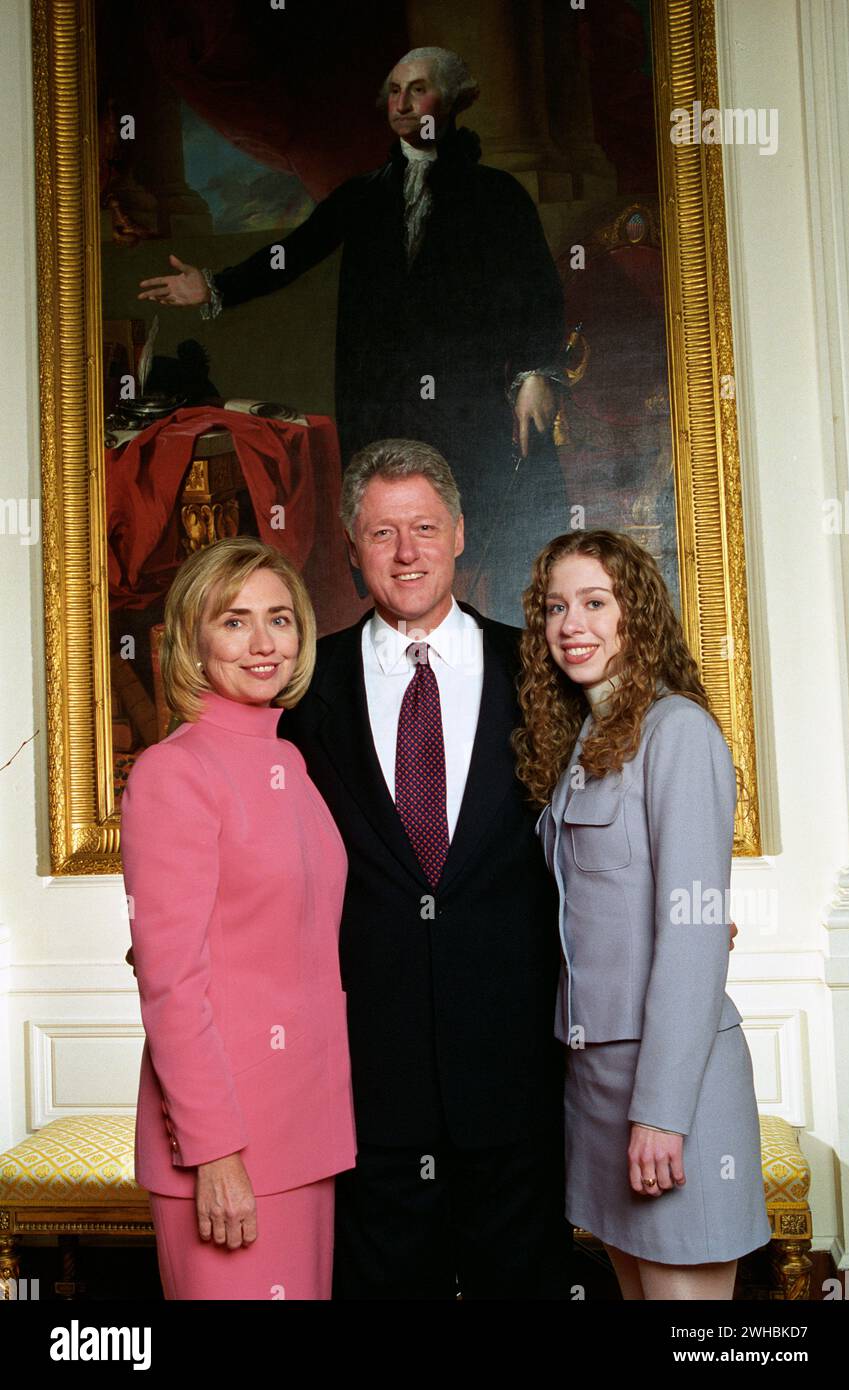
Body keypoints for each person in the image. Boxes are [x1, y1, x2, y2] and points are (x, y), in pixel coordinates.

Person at [277, 438, 572, 1299]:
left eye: (423, 529)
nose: (405, 554)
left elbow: (608, 823)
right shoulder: (301, 690)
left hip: (515, 1078)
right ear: (350, 545)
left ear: (460, 533)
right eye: (381, 534)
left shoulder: (542, 670)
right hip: (367, 1085)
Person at [137, 46, 567, 624]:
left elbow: (538, 292)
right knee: (393, 533)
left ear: (458, 99)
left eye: (419, 89)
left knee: (476, 536)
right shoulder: (364, 193)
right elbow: (292, 254)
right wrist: (213, 286)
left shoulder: (498, 195)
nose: (404, 103)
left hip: (469, 399)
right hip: (383, 397)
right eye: (394, 90)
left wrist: (536, 372)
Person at [514, 529, 770, 1300]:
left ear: (639, 615)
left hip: (669, 1086)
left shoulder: (678, 731)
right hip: (595, 1079)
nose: (572, 625)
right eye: (557, 607)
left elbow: (694, 934)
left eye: (596, 603)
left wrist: (661, 1112)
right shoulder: (585, 739)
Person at [120, 537, 356, 1300]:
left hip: (308, 1138)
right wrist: (214, 1153)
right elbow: (171, 986)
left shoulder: (292, 765)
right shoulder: (174, 772)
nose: (263, 643)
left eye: (280, 619)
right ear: (193, 638)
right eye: (235, 621)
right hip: (229, 1149)